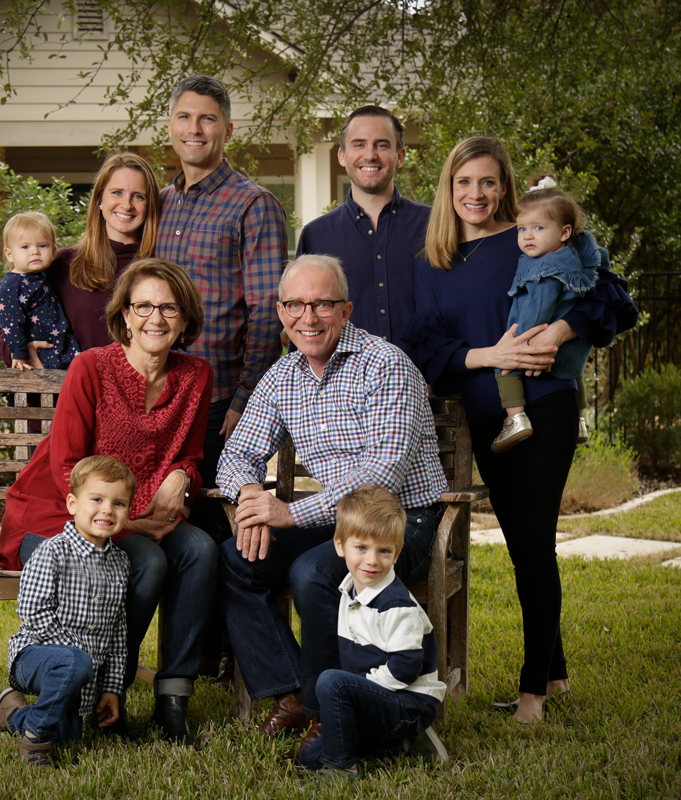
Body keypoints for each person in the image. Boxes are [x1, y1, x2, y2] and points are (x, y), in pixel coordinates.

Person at [403, 136, 638, 724]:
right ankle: (553, 673)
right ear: (447, 189)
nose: (476, 194)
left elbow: (608, 292)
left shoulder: (532, 237)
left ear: (505, 188)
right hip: (489, 411)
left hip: (546, 402)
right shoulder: (432, 263)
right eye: (464, 182)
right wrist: (483, 355)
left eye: (488, 182)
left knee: (533, 543)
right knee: (519, 542)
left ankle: (532, 692)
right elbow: (427, 345)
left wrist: (560, 332)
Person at [216, 254, 448, 753]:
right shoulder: (283, 377)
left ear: (346, 310)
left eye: (322, 304)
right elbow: (237, 453)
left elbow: (382, 475)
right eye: (296, 305)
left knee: (312, 572)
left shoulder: (386, 365)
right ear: (281, 312)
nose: (309, 317)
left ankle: (330, 714)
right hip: (336, 520)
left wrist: (289, 513)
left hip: (399, 522)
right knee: (235, 558)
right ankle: (292, 693)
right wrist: (250, 494)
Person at [0, 258, 217, 746]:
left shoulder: (196, 375)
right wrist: (127, 527)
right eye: (143, 306)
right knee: (149, 562)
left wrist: (184, 473)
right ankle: (95, 689)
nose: (155, 318)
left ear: (185, 320)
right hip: (64, 513)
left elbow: (193, 455)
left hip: (136, 517)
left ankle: (172, 701)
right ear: (125, 313)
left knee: (201, 549)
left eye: (169, 308)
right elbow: (64, 468)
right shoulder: (90, 366)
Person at [156, 74, 288, 489]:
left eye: (207, 119)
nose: (194, 130)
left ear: (227, 130)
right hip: (156, 392)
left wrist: (245, 402)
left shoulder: (253, 204)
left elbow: (267, 312)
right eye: (184, 117)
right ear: (171, 126)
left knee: (211, 520)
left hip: (218, 399)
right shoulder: (160, 203)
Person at [0, 455, 135, 768]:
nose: (107, 509)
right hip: (35, 657)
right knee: (73, 663)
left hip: (83, 674)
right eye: (96, 499)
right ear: (72, 503)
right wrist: (78, 656)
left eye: (119, 503)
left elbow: (118, 633)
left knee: (67, 737)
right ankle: (35, 739)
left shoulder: (121, 564)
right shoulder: (53, 552)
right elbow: (33, 612)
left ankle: (13, 714)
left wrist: (110, 688)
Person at [297, 484, 448, 783]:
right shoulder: (348, 591)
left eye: (384, 551)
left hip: (407, 703)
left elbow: (406, 668)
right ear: (340, 546)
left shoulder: (395, 604)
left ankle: (344, 768)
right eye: (361, 548)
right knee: (310, 756)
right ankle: (401, 742)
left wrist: (357, 690)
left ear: (397, 552)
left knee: (331, 681)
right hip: (377, 699)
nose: (371, 560)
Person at [0, 150, 162, 366]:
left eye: (138, 196)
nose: (127, 205)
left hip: (137, 394)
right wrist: (21, 350)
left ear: (150, 205)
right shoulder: (62, 264)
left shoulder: (160, 269)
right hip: (69, 393)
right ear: (99, 200)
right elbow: (9, 322)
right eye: (117, 193)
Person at [295, 106, 430, 350]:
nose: (370, 155)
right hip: (344, 386)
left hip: (426, 384)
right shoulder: (316, 236)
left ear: (400, 156)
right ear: (342, 156)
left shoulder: (435, 226)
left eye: (382, 145)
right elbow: (304, 323)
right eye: (358, 144)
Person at [493, 177, 606, 452]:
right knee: (575, 373)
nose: (527, 236)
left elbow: (538, 309)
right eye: (522, 229)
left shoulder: (543, 269)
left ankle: (516, 419)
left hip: (537, 342)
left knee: (503, 368)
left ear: (565, 232)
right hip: (567, 355)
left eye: (538, 228)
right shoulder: (570, 257)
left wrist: (523, 345)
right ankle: (581, 420)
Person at [0, 211, 80, 370]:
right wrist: (19, 353)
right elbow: (11, 321)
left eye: (42, 245)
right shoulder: (12, 285)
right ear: (10, 254)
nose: (35, 251)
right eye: (25, 246)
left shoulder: (42, 276)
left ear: (53, 252)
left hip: (61, 345)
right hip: (41, 352)